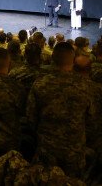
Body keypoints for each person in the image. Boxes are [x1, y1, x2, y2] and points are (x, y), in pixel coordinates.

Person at [26, 42, 94, 179]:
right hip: (74, 151)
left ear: (52, 59)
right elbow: (91, 119)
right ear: (73, 60)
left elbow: (31, 118)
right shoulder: (85, 85)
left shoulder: (40, 84)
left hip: (46, 150)